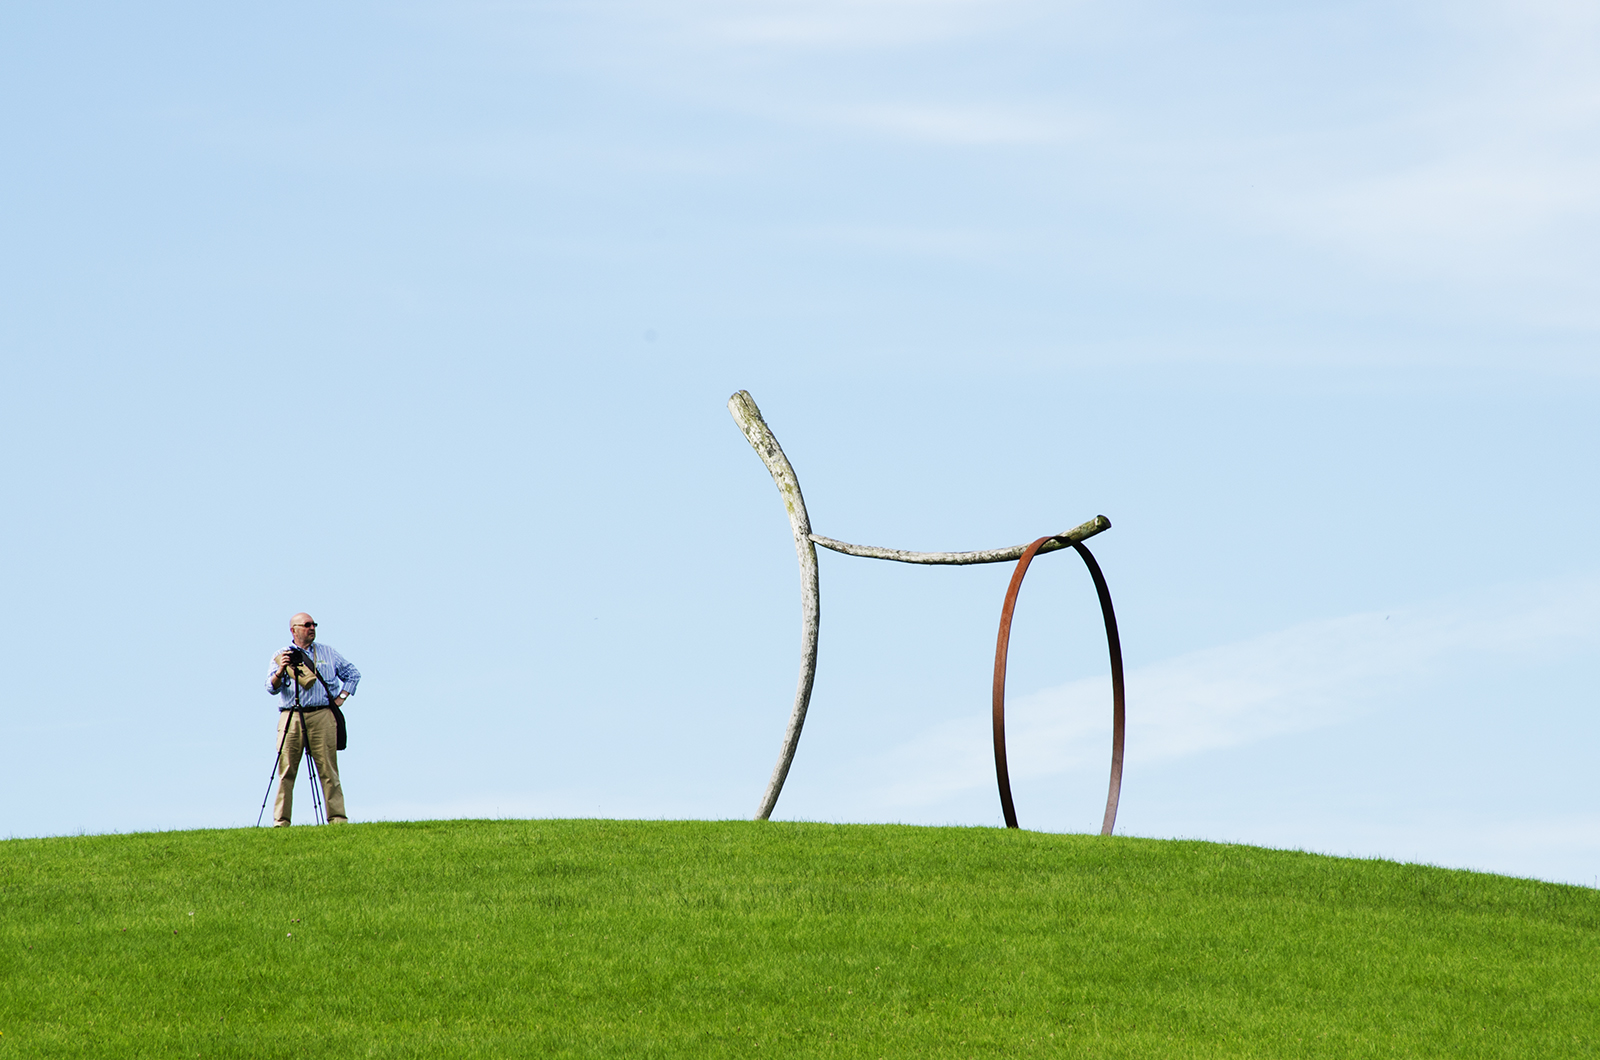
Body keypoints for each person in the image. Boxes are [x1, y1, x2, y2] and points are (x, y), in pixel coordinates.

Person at [266, 612, 360, 826]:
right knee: (286, 770)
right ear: (294, 630)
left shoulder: (328, 652)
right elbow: (270, 687)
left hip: (322, 714)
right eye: (306, 625)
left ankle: (337, 819)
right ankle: (281, 822)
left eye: (313, 625)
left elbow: (353, 674)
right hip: (291, 715)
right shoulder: (281, 654)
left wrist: (342, 697)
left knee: (328, 769)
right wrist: (282, 670)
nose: (312, 628)